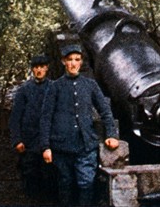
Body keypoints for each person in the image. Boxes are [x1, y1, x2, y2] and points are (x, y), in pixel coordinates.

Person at [40, 44, 119, 206]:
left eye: (77, 60)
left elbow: (105, 111)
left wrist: (111, 134)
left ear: (81, 62)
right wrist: (45, 146)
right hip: (61, 146)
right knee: (65, 184)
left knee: (86, 183)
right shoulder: (54, 87)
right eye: (69, 60)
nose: (73, 64)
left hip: (85, 145)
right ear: (63, 62)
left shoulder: (90, 85)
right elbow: (45, 118)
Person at [9, 54, 56, 201]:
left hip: (49, 141)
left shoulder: (54, 88)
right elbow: (15, 117)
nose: (39, 70)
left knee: (49, 178)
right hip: (29, 141)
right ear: (32, 70)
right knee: (30, 177)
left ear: (47, 68)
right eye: (36, 67)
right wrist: (17, 140)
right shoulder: (25, 90)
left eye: (42, 67)